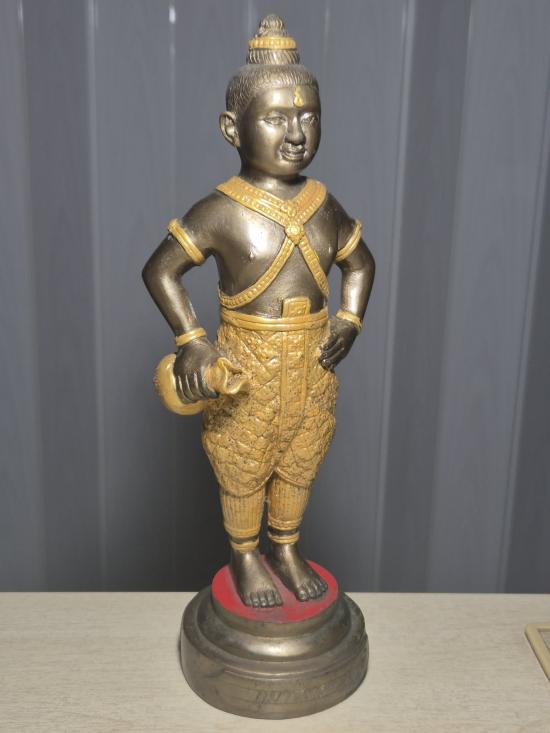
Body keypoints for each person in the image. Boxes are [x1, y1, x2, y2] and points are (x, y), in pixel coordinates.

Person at [142, 15, 375, 608]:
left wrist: (349, 320)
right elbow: (161, 269)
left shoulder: (323, 204)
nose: (296, 133)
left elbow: (360, 263)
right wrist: (192, 340)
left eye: (308, 117)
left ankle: (286, 548)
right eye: (276, 119)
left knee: (301, 456)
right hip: (248, 365)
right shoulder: (221, 210)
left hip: (314, 360)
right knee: (243, 461)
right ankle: (245, 555)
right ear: (232, 127)